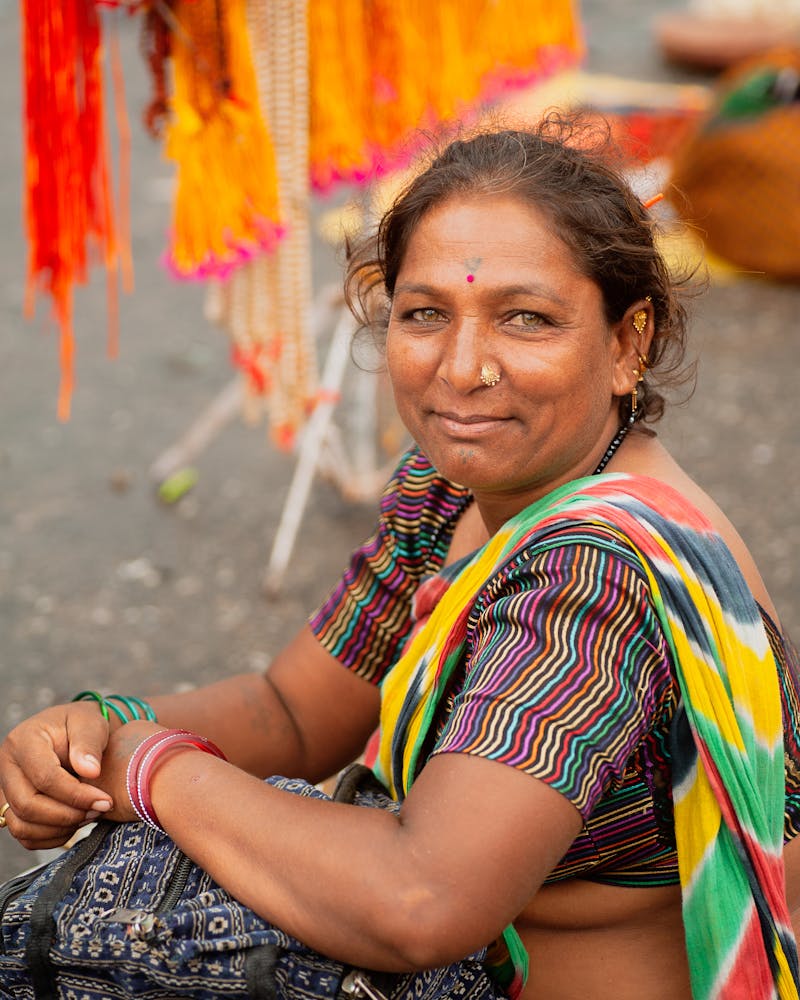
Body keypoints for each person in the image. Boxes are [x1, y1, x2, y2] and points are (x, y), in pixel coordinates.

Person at [1, 114, 799, 1000]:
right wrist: (98, 732)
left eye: (525, 319)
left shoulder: (599, 575)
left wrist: (151, 768)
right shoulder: (461, 485)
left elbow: (422, 899)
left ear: (626, 343)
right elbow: (296, 711)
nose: (461, 368)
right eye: (425, 314)